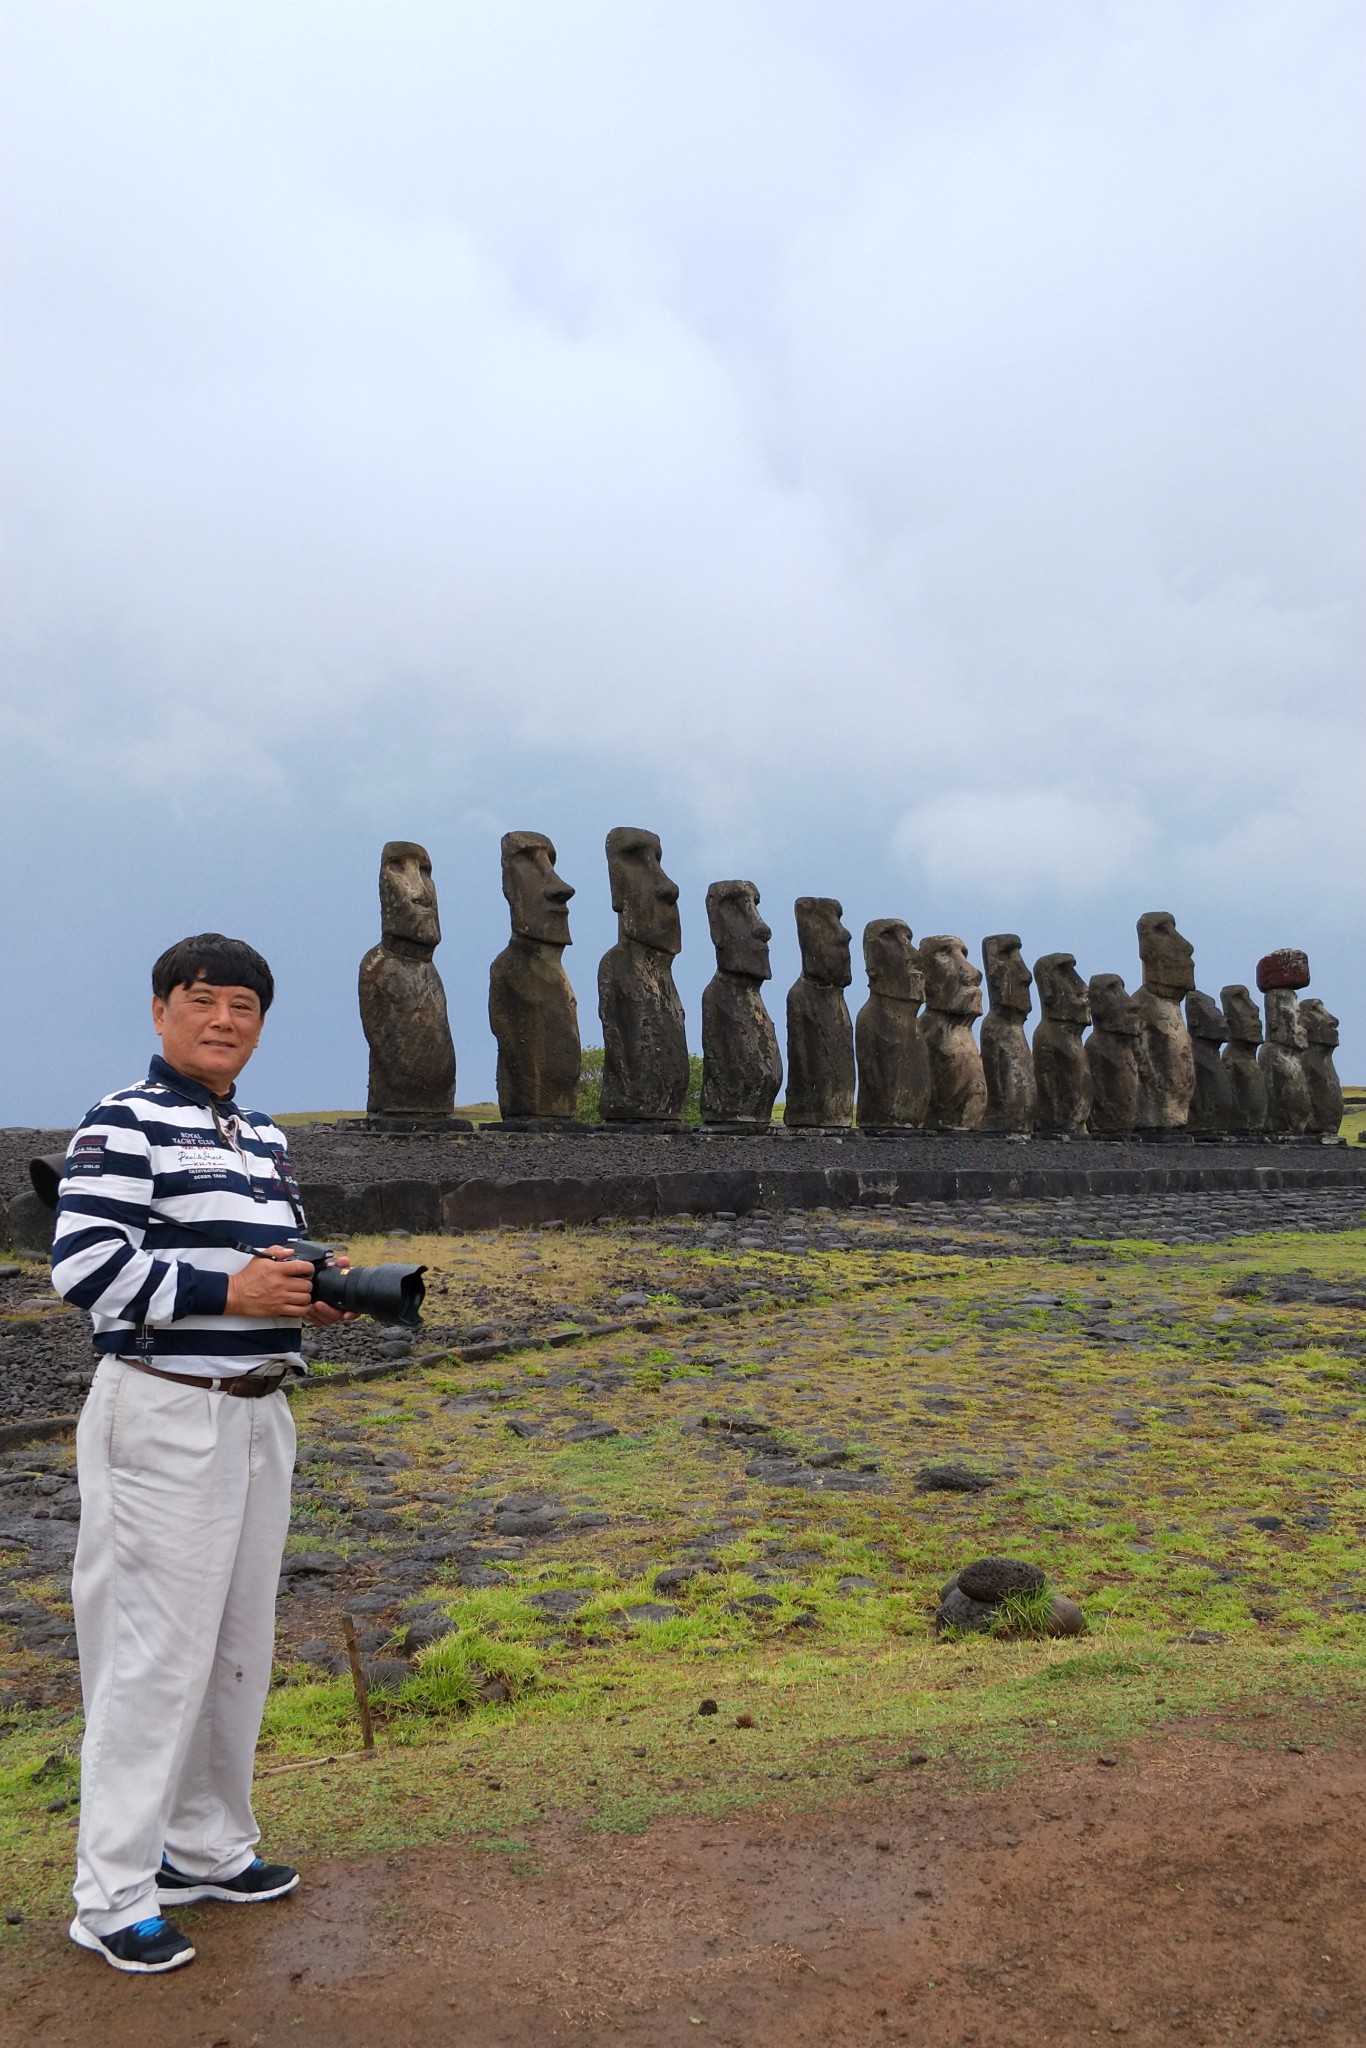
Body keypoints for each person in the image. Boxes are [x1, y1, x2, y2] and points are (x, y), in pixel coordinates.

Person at [51, 933, 349, 1974]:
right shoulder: (121, 1119)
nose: (225, 1020)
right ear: (161, 1010)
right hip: (168, 1405)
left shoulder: (261, 1134)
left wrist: (319, 1283)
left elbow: (279, 1253)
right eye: (205, 1000)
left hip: (262, 1407)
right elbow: (86, 1266)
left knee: (234, 1646)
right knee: (150, 1653)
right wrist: (230, 1292)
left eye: (246, 1007)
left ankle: (208, 1844)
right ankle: (112, 1889)